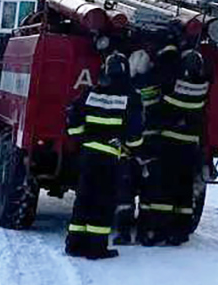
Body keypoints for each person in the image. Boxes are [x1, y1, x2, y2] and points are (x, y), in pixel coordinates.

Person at [65, 51, 143, 260]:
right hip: (110, 159)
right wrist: (133, 149)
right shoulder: (131, 97)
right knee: (102, 203)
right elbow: (135, 134)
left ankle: (74, 244)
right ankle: (96, 248)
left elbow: (73, 117)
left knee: (83, 199)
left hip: (88, 155)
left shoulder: (92, 92)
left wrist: (82, 138)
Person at [141, 48, 210, 247]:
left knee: (163, 188)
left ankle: (159, 230)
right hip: (190, 148)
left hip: (169, 144)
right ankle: (179, 232)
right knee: (183, 191)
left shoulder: (175, 86)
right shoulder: (202, 87)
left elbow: (160, 106)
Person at [113, 48, 157, 246]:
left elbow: (131, 123)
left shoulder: (128, 89)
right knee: (150, 194)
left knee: (125, 193)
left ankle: (123, 232)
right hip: (154, 147)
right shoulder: (155, 85)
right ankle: (146, 233)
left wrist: (132, 149)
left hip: (131, 150)